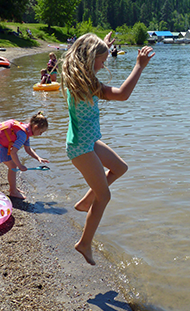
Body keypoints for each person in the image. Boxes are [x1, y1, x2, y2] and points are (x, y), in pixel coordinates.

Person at [61, 31, 155, 265]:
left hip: (87, 140)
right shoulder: (88, 85)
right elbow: (122, 95)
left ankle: (84, 202)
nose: (103, 66)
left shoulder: (79, 79)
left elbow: (94, 62)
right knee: (104, 196)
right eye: (101, 62)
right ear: (90, 59)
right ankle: (84, 243)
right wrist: (139, 66)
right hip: (82, 147)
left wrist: (102, 46)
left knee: (119, 167)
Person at [0, 112, 50, 200]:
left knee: (12, 166)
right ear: (36, 128)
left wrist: (38, 158)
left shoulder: (26, 130)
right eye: (41, 132)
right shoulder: (23, 135)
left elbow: (28, 149)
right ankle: (13, 191)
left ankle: (12, 187)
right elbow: (14, 152)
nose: (40, 134)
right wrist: (20, 165)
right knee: (13, 166)